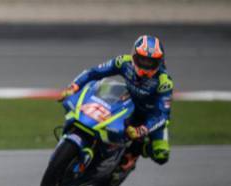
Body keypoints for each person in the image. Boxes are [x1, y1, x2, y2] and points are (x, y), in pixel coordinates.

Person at [59, 35, 173, 173]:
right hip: (127, 103)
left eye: (150, 62)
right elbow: (94, 72)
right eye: (142, 59)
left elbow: (162, 115)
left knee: (161, 154)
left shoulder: (164, 82)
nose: (145, 65)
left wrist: (141, 130)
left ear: (159, 62)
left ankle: (135, 152)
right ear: (134, 55)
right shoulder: (123, 62)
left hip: (148, 116)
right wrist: (74, 86)